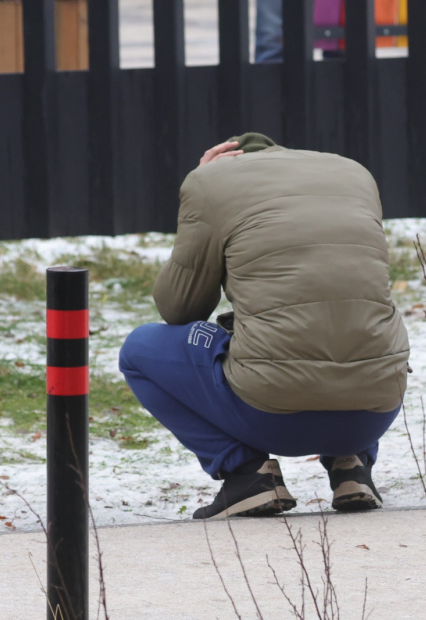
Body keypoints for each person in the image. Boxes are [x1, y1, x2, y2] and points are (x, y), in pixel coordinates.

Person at [118, 132, 410, 520]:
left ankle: (247, 475)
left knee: (139, 349)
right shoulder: (354, 175)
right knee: (353, 319)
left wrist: (203, 187)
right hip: (372, 414)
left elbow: (179, 308)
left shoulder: (212, 183)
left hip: (270, 416)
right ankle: (352, 465)